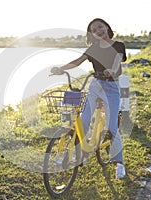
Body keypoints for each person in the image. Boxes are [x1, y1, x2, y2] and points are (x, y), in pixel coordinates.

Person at [51, 18, 126, 179]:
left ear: (107, 26)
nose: (98, 30)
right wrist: (60, 68)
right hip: (95, 85)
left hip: (111, 88)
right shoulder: (93, 49)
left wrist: (111, 70)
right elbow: (77, 62)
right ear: (92, 35)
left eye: (100, 26)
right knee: (83, 121)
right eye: (94, 30)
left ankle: (119, 162)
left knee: (112, 127)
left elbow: (117, 60)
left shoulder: (118, 45)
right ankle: (81, 155)